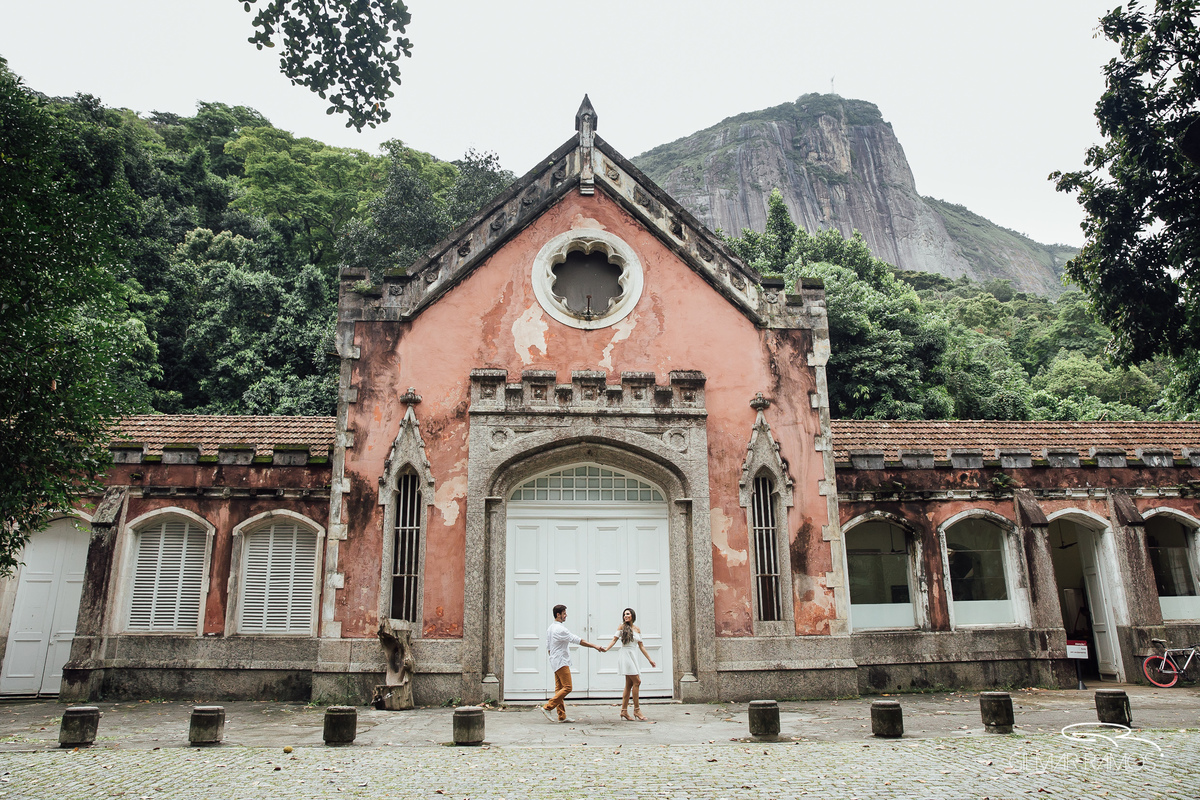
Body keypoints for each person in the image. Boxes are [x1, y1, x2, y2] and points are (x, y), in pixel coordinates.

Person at [541, 604, 603, 723]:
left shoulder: (551, 628)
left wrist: (553, 657)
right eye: (564, 613)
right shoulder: (560, 629)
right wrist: (595, 646)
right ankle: (547, 707)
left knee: (559, 688)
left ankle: (562, 716)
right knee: (568, 687)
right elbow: (578, 640)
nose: (566, 615)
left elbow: (548, 646)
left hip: (555, 660)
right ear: (558, 615)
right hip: (561, 661)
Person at [600, 607, 656, 721]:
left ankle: (624, 711)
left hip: (633, 655)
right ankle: (637, 710)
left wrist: (650, 659)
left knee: (629, 684)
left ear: (632, 616)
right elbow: (614, 639)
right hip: (625, 655)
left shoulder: (637, 629)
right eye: (624, 614)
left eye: (628, 614)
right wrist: (606, 649)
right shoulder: (622, 627)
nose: (626, 616)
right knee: (637, 681)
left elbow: (641, 646)